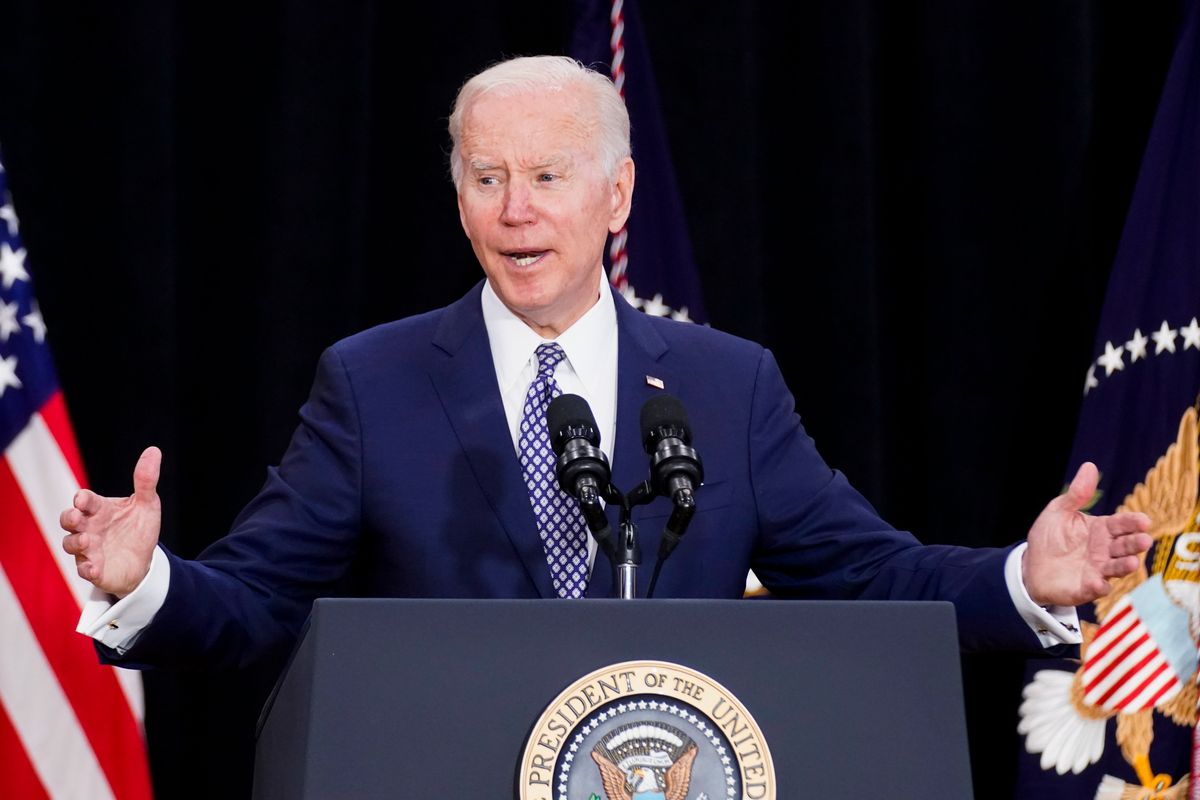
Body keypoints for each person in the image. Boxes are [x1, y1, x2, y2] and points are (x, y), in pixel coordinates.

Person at [60, 56, 1151, 670]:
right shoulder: (373, 381)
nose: (516, 209)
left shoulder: (729, 387)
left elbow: (876, 575)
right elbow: (254, 600)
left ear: (616, 196)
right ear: (457, 197)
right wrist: (143, 578)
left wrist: (1025, 575)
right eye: (487, 177)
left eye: (547, 175)